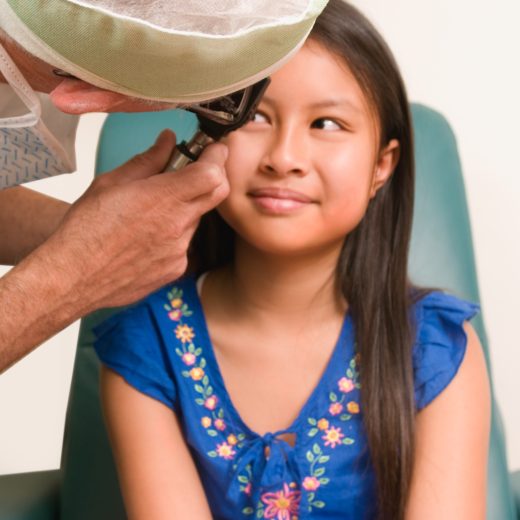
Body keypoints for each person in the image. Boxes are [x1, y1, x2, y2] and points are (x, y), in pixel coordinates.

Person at [94, 1, 491, 518]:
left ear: (381, 166)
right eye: (256, 116)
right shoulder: (149, 345)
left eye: (326, 124)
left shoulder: (435, 347)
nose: (283, 157)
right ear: (212, 133)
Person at [0, 0, 327, 372]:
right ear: (83, 95)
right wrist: (72, 275)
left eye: (326, 125)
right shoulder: (156, 337)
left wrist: (94, 239)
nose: (283, 160)